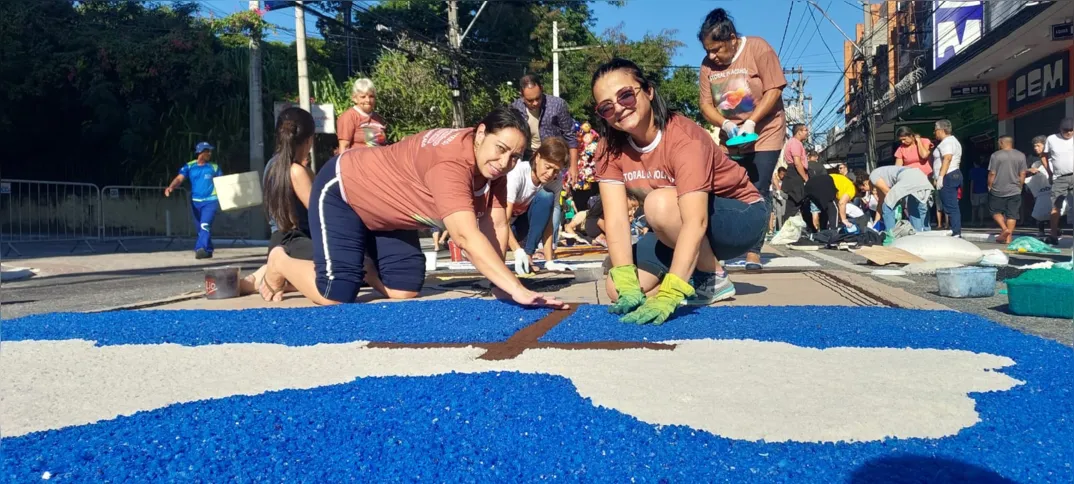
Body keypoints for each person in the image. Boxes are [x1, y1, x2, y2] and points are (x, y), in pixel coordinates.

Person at [258, 106, 566, 310]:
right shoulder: (451, 162)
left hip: (388, 213)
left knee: (403, 290)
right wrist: (516, 287)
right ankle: (279, 261)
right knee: (336, 294)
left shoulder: (494, 166)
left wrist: (501, 286)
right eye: (501, 150)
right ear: (481, 133)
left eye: (515, 156)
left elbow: (496, 225)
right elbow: (466, 236)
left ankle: (361, 261)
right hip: (345, 190)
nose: (504, 163)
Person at [593, 58, 766, 325]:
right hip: (676, 224)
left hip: (739, 216)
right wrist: (627, 279)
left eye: (625, 95)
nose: (618, 109)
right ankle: (691, 276)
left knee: (658, 204)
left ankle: (712, 277)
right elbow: (616, 220)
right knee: (616, 289)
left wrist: (671, 292)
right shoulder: (608, 149)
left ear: (648, 91)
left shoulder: (684, 138)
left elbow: (696, 221)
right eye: (606, 107)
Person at [697, 7, 786, 271]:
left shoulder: (758, 48)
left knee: (757, 187)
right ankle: (719, 248)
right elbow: (705, 104)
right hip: (731, 136)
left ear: (732, 39)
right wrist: (724, 122)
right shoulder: (707, 66)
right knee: (723, 187)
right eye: (708, 51)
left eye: (716, 50)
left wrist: (752, 120)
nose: (712, 56)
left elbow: (774, 89)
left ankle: (753, 250)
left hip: (765, 130)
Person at [241, 108, 318, 296]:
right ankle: (283, 273)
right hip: (296, 242)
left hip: (279, 240)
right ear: (309, 140)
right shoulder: (297, 171)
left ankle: (262, 277)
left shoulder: (271, 165)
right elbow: (320, 214)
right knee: (348, 267)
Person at [511, 74, 579, 267]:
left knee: (550, 202)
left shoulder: (557, 105)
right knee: (526, 203)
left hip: (553, 157)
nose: (534, 103)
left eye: (538, 98)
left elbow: (571, 137)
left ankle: (545, 250)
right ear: (521, 96)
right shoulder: (515, 108)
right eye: (529, 100)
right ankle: (523, 248)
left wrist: (573, 167)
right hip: (527, 158)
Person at [506, 138, 568, 275]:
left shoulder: (555, 180)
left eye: (556, 170)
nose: (550, 174)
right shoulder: (517, 174)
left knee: (547, 196)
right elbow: (502, 221)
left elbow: (549, 223)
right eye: (548, 167)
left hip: (519, 227)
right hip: (498, 228)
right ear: (538, 157)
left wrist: (549, 261)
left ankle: (529, 255)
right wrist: (517, 251)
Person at [164, 142, 222, 259]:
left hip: (211, 201)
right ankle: (208, 249)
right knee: (200, 228)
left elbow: (222, 183)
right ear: (200, 152)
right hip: (195, 202)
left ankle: (200, 249)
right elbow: (179, 178)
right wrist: (171, 187)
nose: (210, 153)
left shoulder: (214, 167)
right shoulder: (189, 166)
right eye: (207, 151)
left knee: (205, 225)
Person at [863, 165, 934, 235]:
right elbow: (881, 201)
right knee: (914, 209)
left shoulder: (873, 176)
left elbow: (888, 193)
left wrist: (899, 202)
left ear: (865, 183)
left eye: (862, 189)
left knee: (887, 207)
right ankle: (921, 234)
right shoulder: (881, 173)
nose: (864, 191)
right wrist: (876, 221)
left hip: (907, 177)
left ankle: (891, 235)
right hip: (919, 174)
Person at [986, 136, 1027, 244]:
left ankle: (1005, 229)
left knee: (994, 211)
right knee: (1012, 214)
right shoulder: (1021, 155)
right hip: (1015, 189)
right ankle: (1009, 239)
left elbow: (992, 173)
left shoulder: (996, 155)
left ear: (1001, 143)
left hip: (998, 189)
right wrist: (1020, 186)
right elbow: (1023, 173)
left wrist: (989, 185)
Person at [1041, 118, 1074, 245]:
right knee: (1055, 207)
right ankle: (1053, 235)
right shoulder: (1052, 139)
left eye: (1071, 130)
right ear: (1060, 129)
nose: (1069, 133)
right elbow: (1044, 155)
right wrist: (1049, 172)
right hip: (1060, 178)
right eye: (1066, 131)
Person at [336, 78, 387, 152]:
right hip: (358, 161)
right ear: (354, 98)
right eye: (363, 97)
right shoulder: (349, 117)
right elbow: (344, 147)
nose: (368, 100)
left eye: (371, 96)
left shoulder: (378, 118)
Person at [932, 119, 963, 237]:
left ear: (941, 130)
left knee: (951, 206)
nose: (934, 133)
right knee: (950, 204)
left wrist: (940, 177)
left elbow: (947, 158)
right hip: (950, 175)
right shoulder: (951, 141)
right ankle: (955, 230)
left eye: (935, 130)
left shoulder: (947, 142)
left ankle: (956, 232)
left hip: (948, 175)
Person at [780, 124, 810, 223]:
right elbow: (797, 163)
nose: (807, 133)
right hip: (795, 174)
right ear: (799, 132)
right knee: (798, 201)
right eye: (805, 130)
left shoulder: (794, 143)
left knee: (795, 203)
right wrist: (805, 178)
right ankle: (786, 229)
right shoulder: (795, 143)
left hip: (794, 174)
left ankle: (809, 228)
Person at [968, 158, 990, 225]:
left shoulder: (972, 171)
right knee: (982, 207)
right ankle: (981, 221)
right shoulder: (984, 171)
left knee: (974, 207)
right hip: (984, 190)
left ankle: (972, 221)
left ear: (974, 163)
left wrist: (970, 193)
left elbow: (972, 182)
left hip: (975, 191)